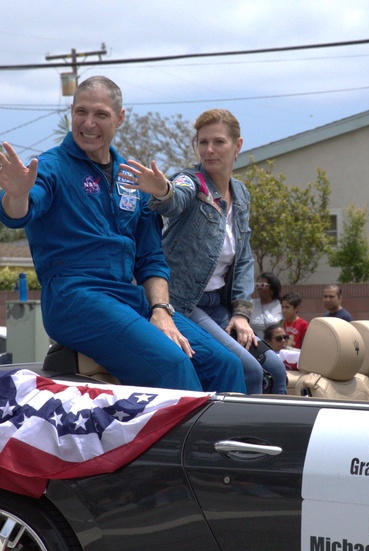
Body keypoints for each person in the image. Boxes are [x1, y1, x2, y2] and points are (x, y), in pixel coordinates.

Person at [0, 76, 243, 393]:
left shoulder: (131, 177)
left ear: (120, 118)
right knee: (172, 364)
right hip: (75, 298)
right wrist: (17, 195)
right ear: (71, 113)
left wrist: (161, 310)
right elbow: (17, 211)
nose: (88, 123)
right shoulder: (50, 166)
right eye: (81, 112)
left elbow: (151, 259)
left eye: (101, 114)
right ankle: (179, 445)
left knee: (226, 365)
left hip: (129, 299)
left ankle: (228, 443)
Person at [120, 108, 283, 395]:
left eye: (218, 142)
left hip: (219, 306)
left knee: (277, 368)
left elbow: (244, 258)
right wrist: (162, 190)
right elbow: (175, 197)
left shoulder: (241, 194)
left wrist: (241, 313)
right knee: (249, 369)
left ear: (237, 145)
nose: (209, 150)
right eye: (202, 142)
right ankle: (246, 436)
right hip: (185, 303)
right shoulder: (191, 182)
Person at [250, 272, 283, 338]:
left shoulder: (281, 304)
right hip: (256, 345)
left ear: (272, 287)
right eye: (257, 285)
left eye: (262, 285)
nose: (259, 288)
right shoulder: (251, 304)